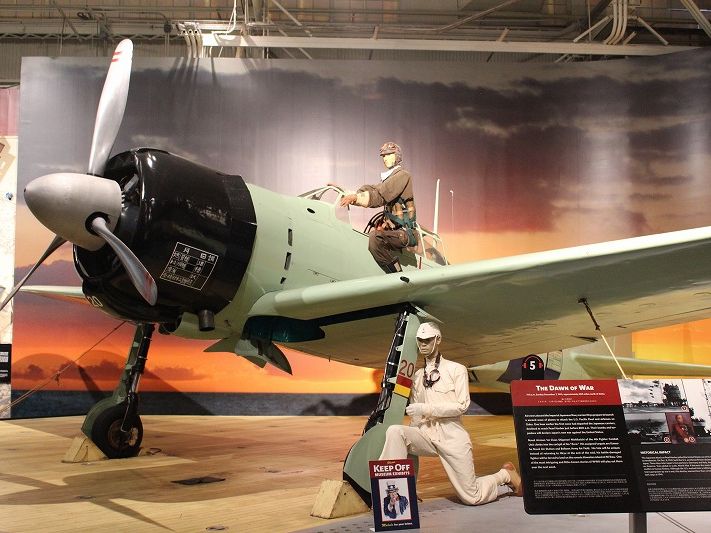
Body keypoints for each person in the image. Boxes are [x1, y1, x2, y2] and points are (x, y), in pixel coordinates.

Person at [379, 322, 523, 505]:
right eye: (420, 340)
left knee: (472, 497)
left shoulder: (456, 369)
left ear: (438, 339)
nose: (423, 344)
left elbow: (462, 405)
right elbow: (416, 415)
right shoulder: (417, 376)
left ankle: (505, 475)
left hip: (451, 437)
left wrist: (425, 409)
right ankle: (399, 492)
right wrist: (414, 425)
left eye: (427, 340)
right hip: (426, 434)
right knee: (396, 432)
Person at [339, 141, 416, 273]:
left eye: (389, 155)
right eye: (383, 156)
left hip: (405, 233)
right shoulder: (389, 179)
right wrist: (348, 194)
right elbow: (372, 189)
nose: (385, 158)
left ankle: (397, 274)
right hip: (394, 232)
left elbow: (380, 195)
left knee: (375, 238)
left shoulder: (403, 176)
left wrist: (356, 198)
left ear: (397, 156)